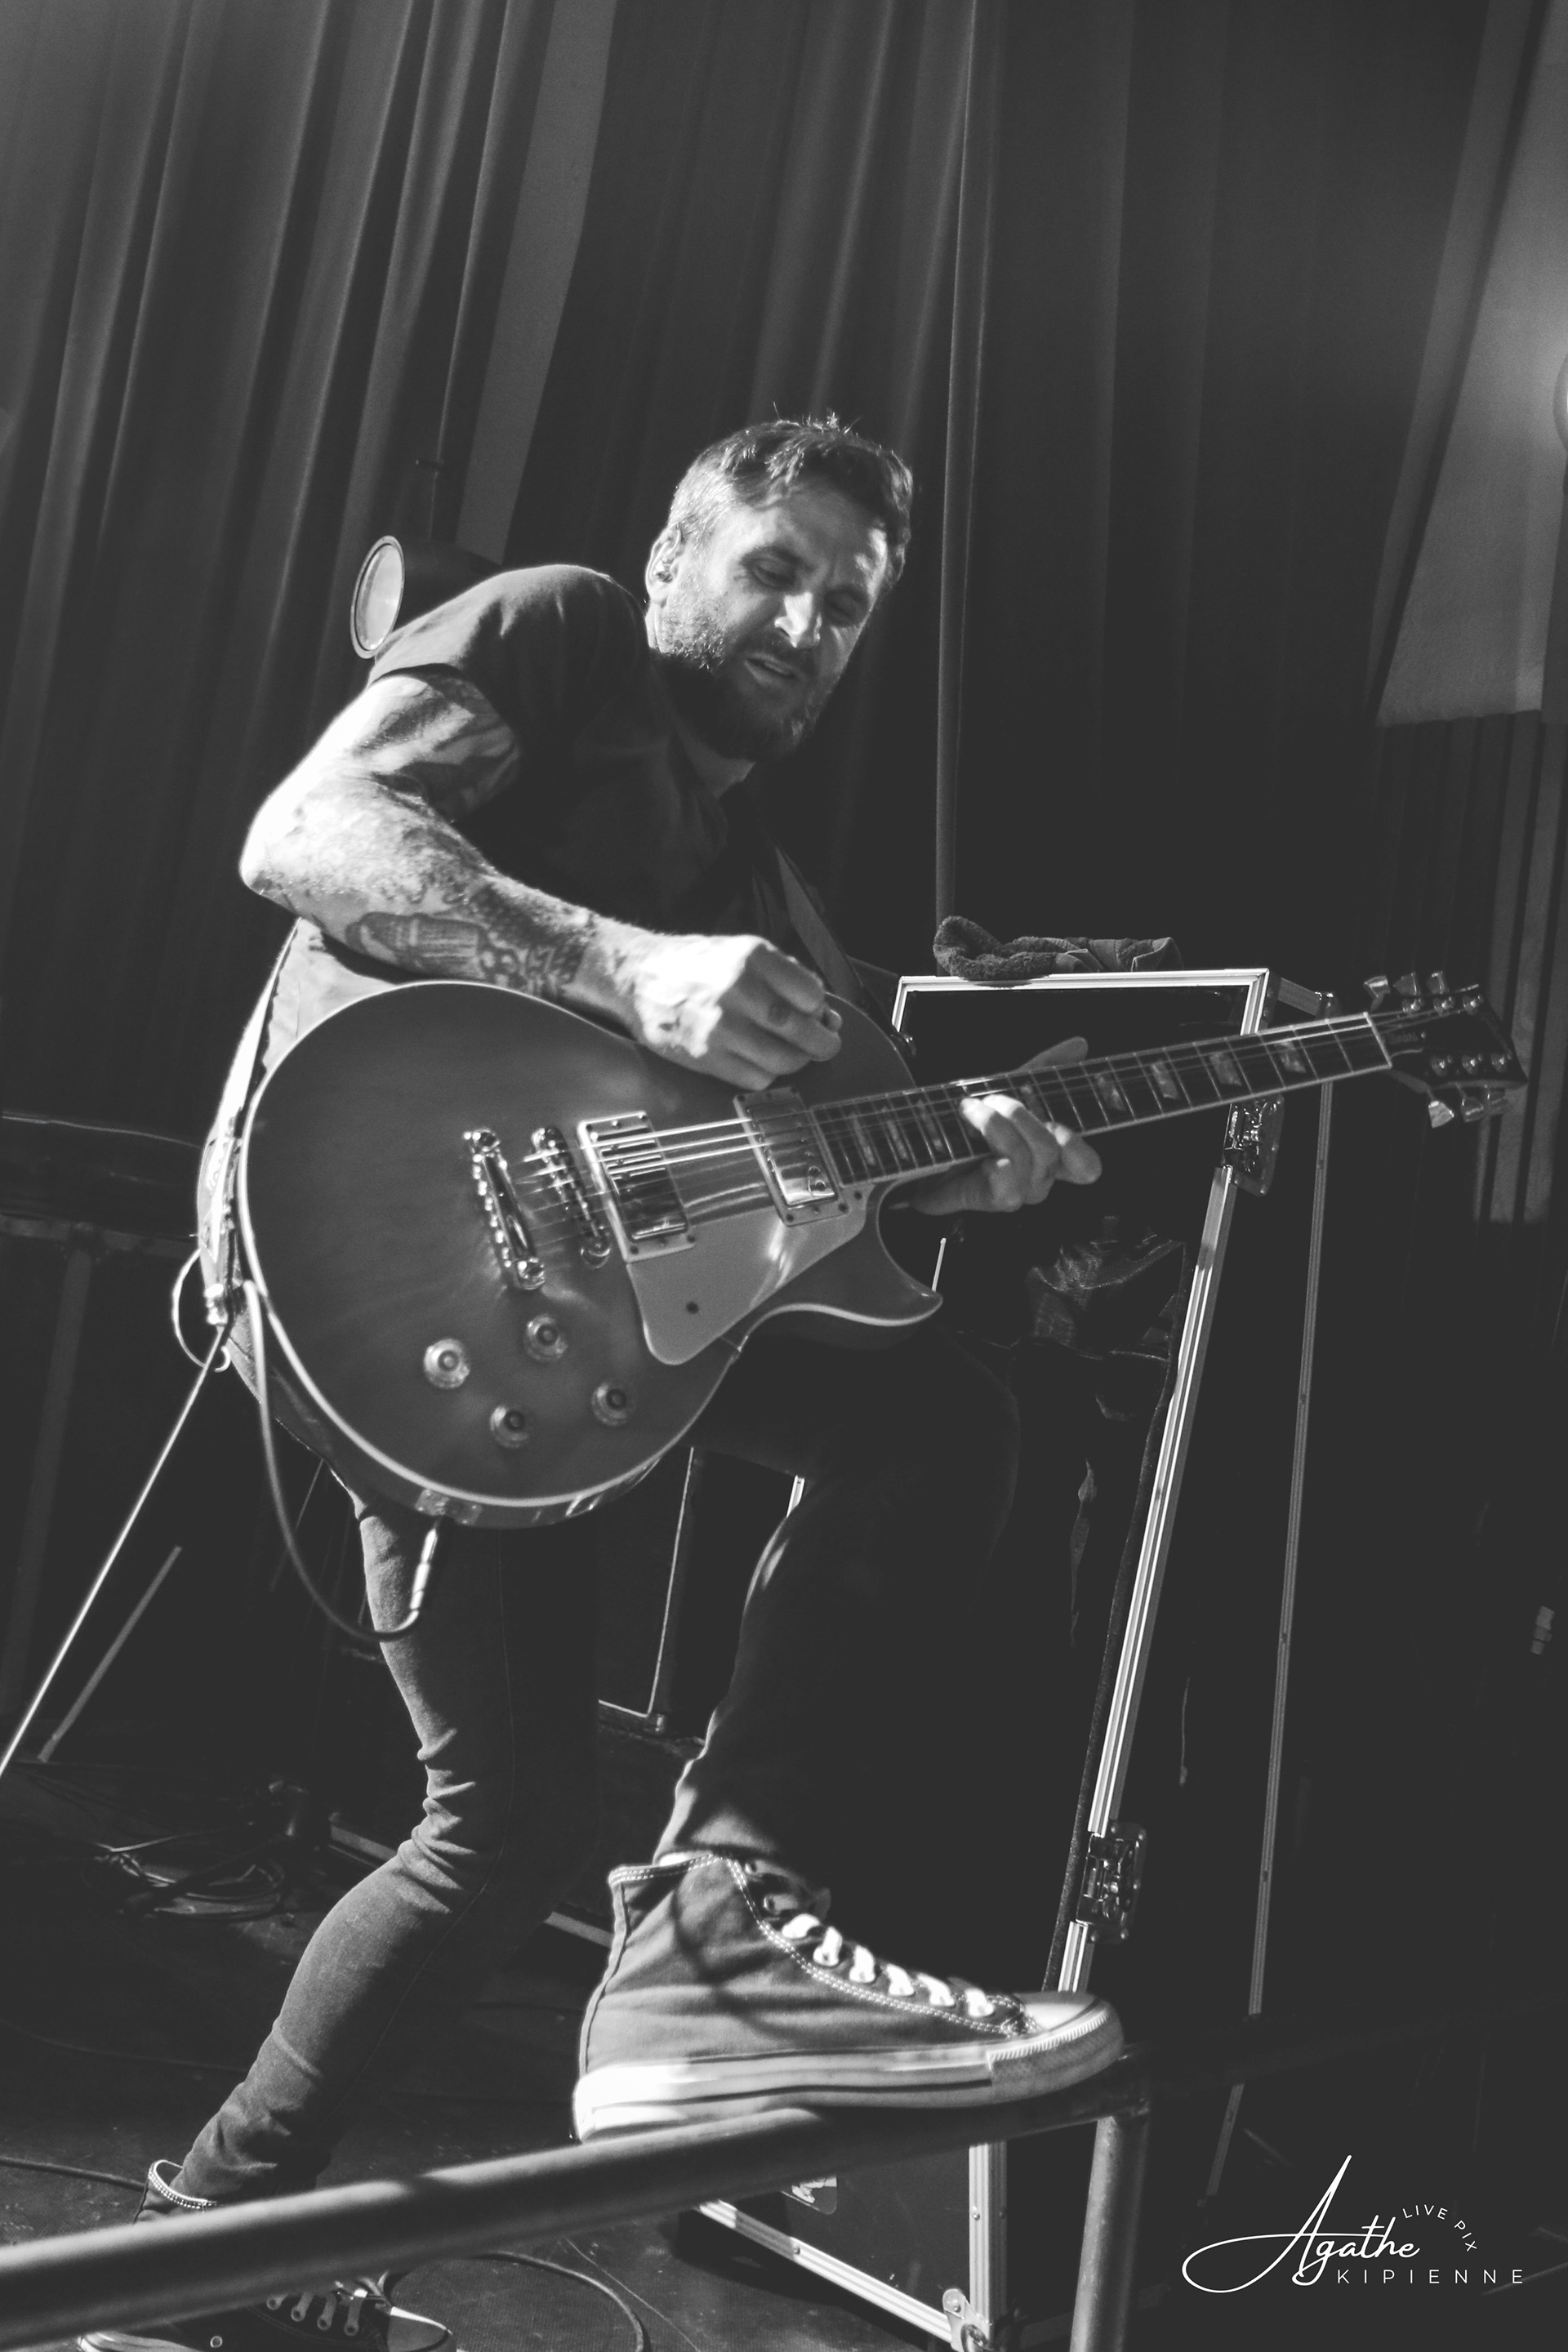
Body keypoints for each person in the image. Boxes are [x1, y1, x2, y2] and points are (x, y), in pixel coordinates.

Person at [83, 419, 1122, 2352]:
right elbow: (305, 834)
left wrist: (962, 1166)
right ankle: (219, 2239)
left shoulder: (773, 895)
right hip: (393, 1254)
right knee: (514, 1806)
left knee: (529, 1808)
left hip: (578, 1344)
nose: (802, 625)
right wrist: (629, 970)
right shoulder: (557, 635)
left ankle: (684, 1938)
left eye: (845, 604)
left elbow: (811, 1194)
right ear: (668, 565)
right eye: (773, 570)